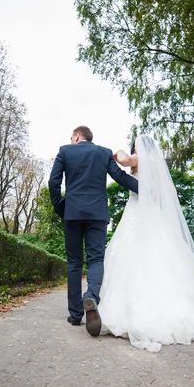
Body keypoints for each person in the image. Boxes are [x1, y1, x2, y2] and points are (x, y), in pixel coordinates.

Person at [98, 134, 194, 352]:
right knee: (162, 258)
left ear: (139, 148)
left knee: (131, 256)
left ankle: (129, 314)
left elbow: (123, 160)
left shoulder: (139, 159)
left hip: (137, 214)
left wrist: (115, 152)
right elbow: (171, 192)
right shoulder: (156, 166)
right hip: (154, 216)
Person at [49, 126, 138, 337]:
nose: (71, 140)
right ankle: (91, 296)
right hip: (98, 213)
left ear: (77, 136)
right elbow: (121, 178)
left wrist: (59, 206)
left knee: (74, 262)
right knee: (96, 259)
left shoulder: (65, 151)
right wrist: (148, 190)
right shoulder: (104, 152)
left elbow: (54, 182)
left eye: (72, 137)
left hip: (72, 213)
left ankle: (75, 314)